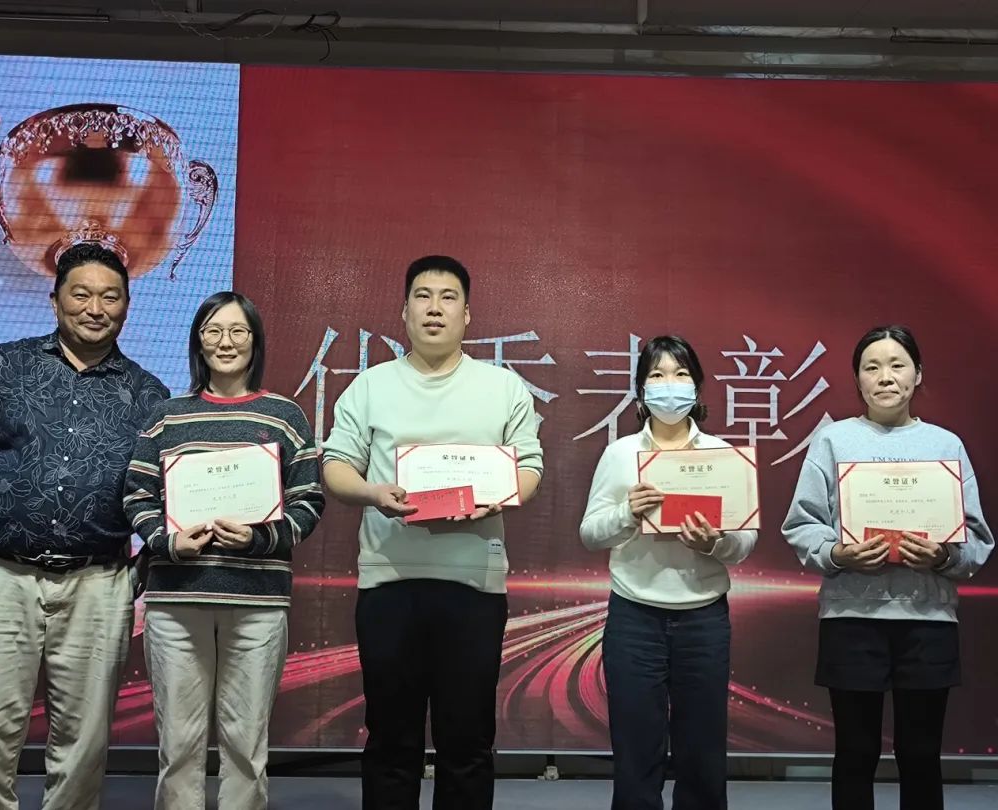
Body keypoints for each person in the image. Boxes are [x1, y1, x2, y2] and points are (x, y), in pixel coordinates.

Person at [0, 242, 169, 810]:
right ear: (55, 299)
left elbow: (163, 491)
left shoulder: (149, 394)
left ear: (127, 305)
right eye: (81, 294)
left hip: (99, 583)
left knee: (83, 747)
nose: (95, 308)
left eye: (110, 297)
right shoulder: (3, 365)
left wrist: (146, 561)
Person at [321, 255, 543, 810]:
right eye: (423, 296)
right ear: (404, 312)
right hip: (389, 583)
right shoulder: (369, 386)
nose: (435, 308)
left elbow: (530, 467)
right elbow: (336, 466)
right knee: (391, 740)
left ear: (467, 315)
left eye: (448, 297)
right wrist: (374, 493)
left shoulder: (503, 387)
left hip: (474, 587)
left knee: (467, 741)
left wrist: (497, 496)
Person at [122, 291, 324, 810]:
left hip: (256, 602)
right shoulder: (167, 417)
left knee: (246, 745)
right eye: (213, 331)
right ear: (198, 341)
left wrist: (260, 538)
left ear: (255, 341)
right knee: (178, 746)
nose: (225, 342)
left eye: (238, 331)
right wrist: (167, 541)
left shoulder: (283, 416)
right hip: (176, 600)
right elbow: (137, 495)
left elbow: (308, 501)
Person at [782, 325, 993, 810]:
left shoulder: (946, 446)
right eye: (871, 367)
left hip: (928, 620)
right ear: (857, 379)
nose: (885, 377)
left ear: (918, 374)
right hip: (851, 618)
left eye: (897, 365)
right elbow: (802, 523)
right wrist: (837, 554)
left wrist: (944, 555)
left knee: (921, 755)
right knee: (855, 754)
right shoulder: (832, 441)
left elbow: (976, 536)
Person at [580, 335, 756, 810]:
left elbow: (745, 541)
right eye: (657, 375)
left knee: (702, 750)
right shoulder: (620, 454)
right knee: (636, 749)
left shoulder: (722, 455)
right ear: (641, 392)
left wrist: (713, 542)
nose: (669, 385)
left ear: (697, 388)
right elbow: (590, 533)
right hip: (634, 617)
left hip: (703, 619)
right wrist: (627, 514)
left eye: (680, 374)